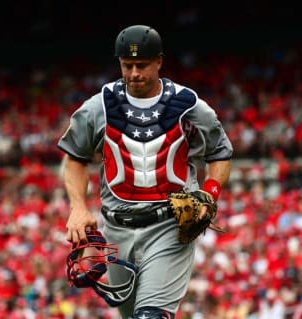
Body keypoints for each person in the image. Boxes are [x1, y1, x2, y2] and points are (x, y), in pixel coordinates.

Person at [57, 25, 233, 319]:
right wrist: (77, 207)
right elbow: (75, 157)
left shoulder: (188, 105)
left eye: (142, 65)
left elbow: (220, 152)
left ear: (159, 62)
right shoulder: (99, 106)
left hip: (170, 227)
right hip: (116, 229)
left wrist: (209, 193)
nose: (134, 73)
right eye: (128, 65)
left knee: (150, 316)